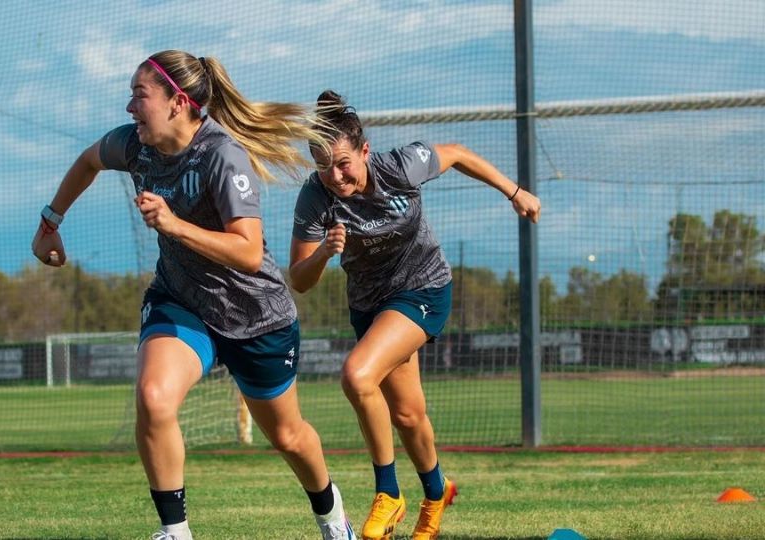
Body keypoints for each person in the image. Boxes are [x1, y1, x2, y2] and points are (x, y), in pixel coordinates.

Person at [32, 52, 356, 540]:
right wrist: (49, 223)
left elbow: (248, 253)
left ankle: (334, 520)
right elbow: (87, 161)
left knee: (288, 436)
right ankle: (175, 532)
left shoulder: (221, 155)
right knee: (153, 396)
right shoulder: (135, 146)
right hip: (182, 302)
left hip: (255, 316)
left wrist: (174, 225)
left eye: (139, 96)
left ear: (178, 102)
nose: (128, 107)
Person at [289, 90, 541, 540]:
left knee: (356, 376)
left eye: (343, 162)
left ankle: (389, 493)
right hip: (370, 304)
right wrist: (325, 253)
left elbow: (460, 154)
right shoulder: (315, 197)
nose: (334, 174)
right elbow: (300, 279)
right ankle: (435, 493)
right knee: (407, 415)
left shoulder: (399, 167)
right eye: (323, 164)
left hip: (423, 288)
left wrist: (515, 191)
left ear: (364, 151)